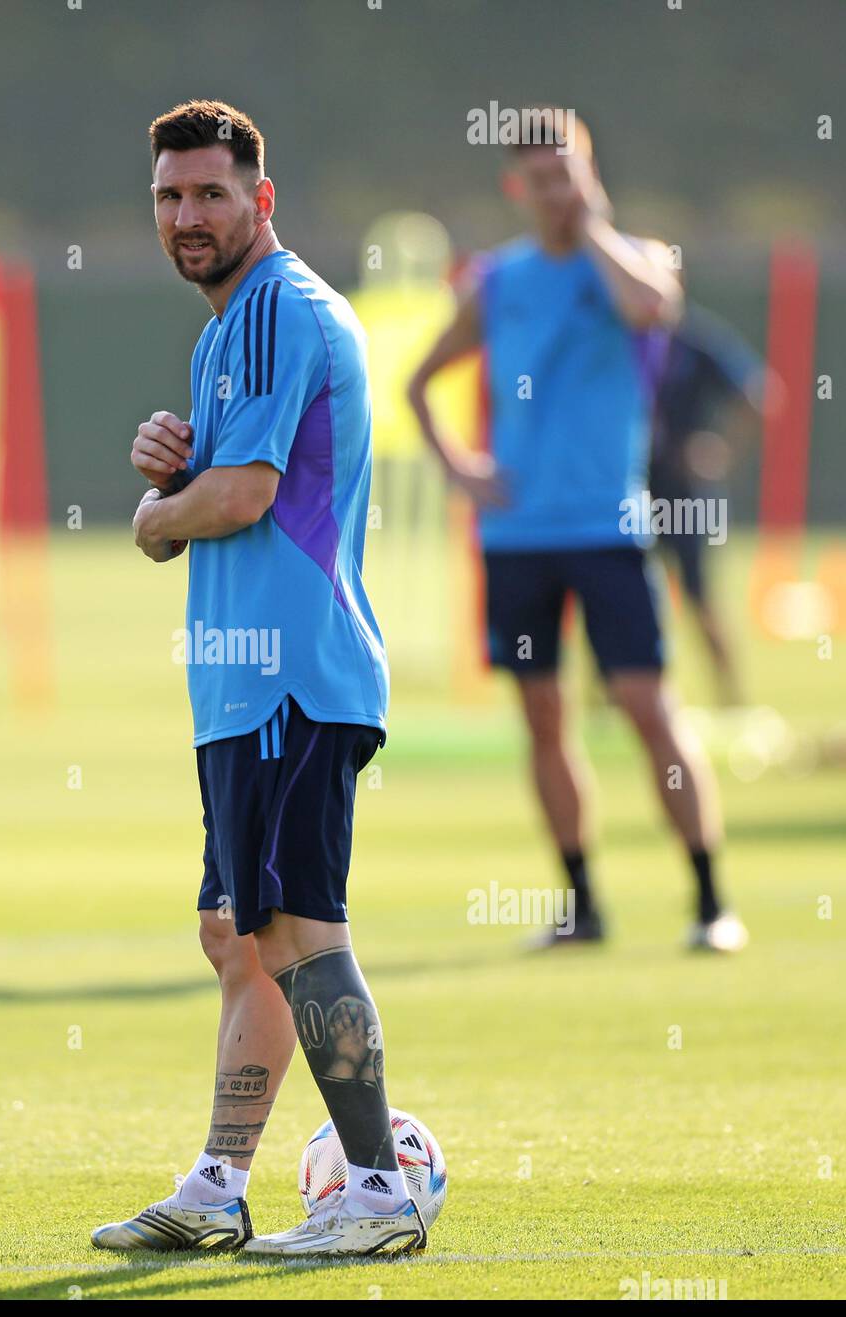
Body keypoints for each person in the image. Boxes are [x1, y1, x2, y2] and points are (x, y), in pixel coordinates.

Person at [91, 100, 424, 1256]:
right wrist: (176, 462)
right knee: (236, 935)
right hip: (238, 684)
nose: (188, 216)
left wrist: (153, 513)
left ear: (260, 200)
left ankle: (378, 1191)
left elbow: (242, 499)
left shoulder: (285, 307)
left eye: (211, 194)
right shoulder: (226, 330)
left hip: (294, 678)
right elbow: (221, 477)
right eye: (170, 197)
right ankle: (221, 1184)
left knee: (296, 933)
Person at [407, 109, 745, 953]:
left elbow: (652, 307)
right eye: (542, 178)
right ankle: (581, 904)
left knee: (646, 707)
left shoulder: (633, 259)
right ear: (515, 187)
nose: (557, 191)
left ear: (590, 174)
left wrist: (591, 225)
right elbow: (418, 382)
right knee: (543, 717)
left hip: (608, 529)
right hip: (517, 537)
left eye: (571, 173)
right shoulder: (494, 280)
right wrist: (461, 466)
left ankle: (709, 901)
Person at [649, 302, 770, 705]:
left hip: (684, 492)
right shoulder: (618, 337)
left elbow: (759, 393)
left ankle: (730, 697)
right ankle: (609, 702)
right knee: (612, 591)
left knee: (699, 595)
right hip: (628, 488)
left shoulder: (695, 342)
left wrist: (719, 451)